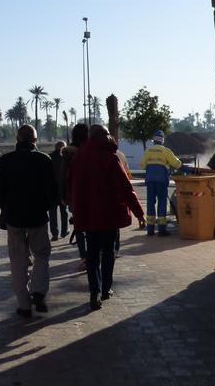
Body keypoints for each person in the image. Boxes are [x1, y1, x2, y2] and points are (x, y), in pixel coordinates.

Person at [70, 124, 146, 310]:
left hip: (89, 216)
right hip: (110, 216)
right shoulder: (111, 158)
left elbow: (72, 186)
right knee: (109, 253)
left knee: (92, 254)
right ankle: (106, 289)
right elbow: (125, 189)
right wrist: (139, 213)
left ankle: (94, 291)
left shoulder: (80, 157)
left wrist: (75, 211)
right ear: (106, 136)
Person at [0, 124, 59, 318]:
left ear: (17, 140)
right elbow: (52, 192)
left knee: (17, 259)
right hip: (37, 217)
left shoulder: (6, 160)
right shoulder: (44, 160)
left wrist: (6, 208)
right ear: (34, 141)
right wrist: (44, 207)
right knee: (42, 254)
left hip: (13, 218)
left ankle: (23, 304)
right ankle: (38, 290)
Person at [139, 129, 182, 236]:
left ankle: (150, 229)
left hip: (150, 181)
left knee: (150, 203)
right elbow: (177, 164)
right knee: (162, 203)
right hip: (162, 181)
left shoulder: (148, 151)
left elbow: (142, 165)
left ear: (153, 140)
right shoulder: (165, 151)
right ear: (162, 140)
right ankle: (162, 229)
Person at [63, 123, 90, 271]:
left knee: (79, 227)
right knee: (92, 224)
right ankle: (93, 254)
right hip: (91, 194)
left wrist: (64, 196)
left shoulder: (67, 153)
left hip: (74, 194)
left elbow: (63, 176)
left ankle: (84, 256)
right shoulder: (91, 151)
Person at [49, 140, 69, 239]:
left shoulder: (49, 157)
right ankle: (64, 231)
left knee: (52, 213)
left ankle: (54, 233)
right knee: (64, 212)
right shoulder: (65, 158)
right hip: (63, 190)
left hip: (51, 190)